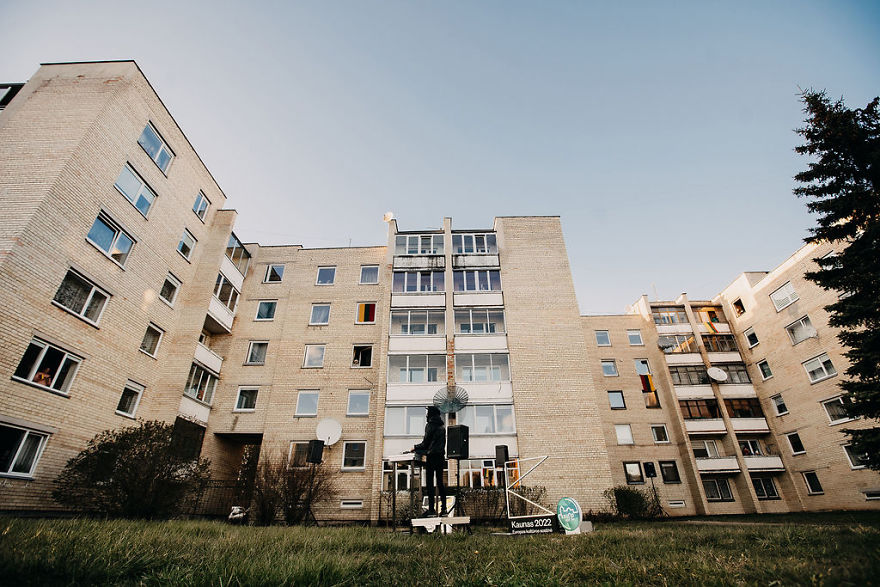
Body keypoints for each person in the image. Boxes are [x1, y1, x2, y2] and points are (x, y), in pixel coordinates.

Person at [409, 406, 447, 517]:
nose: (426, 415)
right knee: (440, 482)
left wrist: (414, 447)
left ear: (430, 414)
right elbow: (435, 444)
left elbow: (425, 443)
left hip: (431, 457)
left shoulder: (430, 425)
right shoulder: (442, 427)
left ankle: (431, 510)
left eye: (427, 413)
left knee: (430, 483)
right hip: (440, 457)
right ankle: (443, 509)